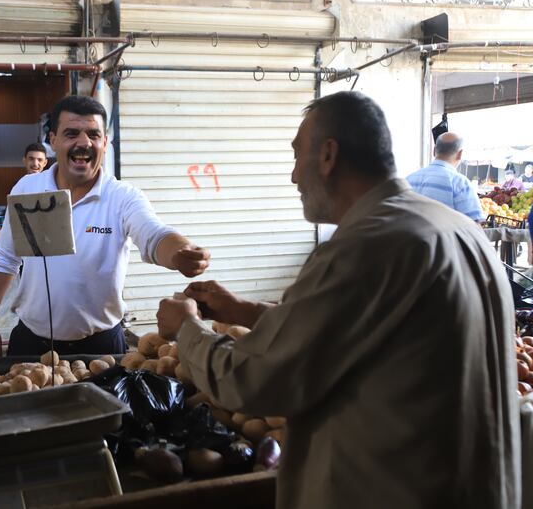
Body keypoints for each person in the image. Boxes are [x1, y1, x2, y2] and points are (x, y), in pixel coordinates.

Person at [156, 92, 520, 509]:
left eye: (297, 156)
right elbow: (370, 330)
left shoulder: (367, 245)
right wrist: (245, 311)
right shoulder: (456, 229)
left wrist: (187, 329)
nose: (293, 176)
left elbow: (253, 380)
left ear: (328, 155)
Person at [0, 95, 210, 357]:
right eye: (72, 133)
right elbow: (4, 259)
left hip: (101, 349)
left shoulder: (122, 197)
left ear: (105, 142)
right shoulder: (28, 189)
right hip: (31, 345)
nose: (84, 142)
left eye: (93, 134)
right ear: (53, 141)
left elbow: (154, 234)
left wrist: (181, 253)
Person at [405, 132, 483, 222]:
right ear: (460, 154)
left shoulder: (409, 179)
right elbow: (474, 227)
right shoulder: (460, 183)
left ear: (434, 151)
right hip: (443, 236)